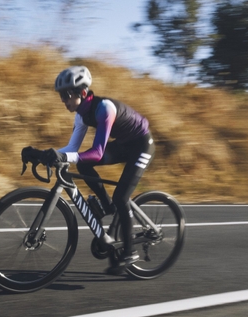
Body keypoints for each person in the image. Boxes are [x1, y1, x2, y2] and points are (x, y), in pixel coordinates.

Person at [27, 65, 154, 274]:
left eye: (67, 95)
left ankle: (130, 252)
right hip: (123, 145)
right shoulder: (81, 115)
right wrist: (42, 154)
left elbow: (96, 152)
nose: (63, 101)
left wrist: (60, 156)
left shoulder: (104, 108)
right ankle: (107, 206)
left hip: (141, 145)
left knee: (122, 196)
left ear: (83, 92)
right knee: (83, 164)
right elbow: (71, 150)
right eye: (61, 96)